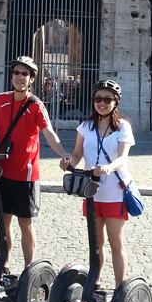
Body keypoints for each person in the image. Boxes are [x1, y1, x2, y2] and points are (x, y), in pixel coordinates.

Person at [0, 56, 72, 271]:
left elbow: (49, 133)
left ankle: (28, 270)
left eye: (25, 74)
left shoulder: (35, 105)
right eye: (16, 72)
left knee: (25, 223)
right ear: (12, 75)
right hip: (2, 172)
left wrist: (63, 153)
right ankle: (4, 265)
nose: (20, 77)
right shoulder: (0, 100)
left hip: (26, 175)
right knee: (4, 221)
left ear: (32, 79)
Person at [60, 79, 134, 289]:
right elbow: (77, 154)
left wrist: (108, 168)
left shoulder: (123, 128)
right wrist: (69, 162)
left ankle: (121, 289)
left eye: (107, 99)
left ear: (116, 102)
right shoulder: (85, 126)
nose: (102, 103)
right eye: (98, 99)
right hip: (91, 192)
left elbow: (122, 158)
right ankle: (96, 283)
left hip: (114, 193)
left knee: (115, 243)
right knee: (96, 244)